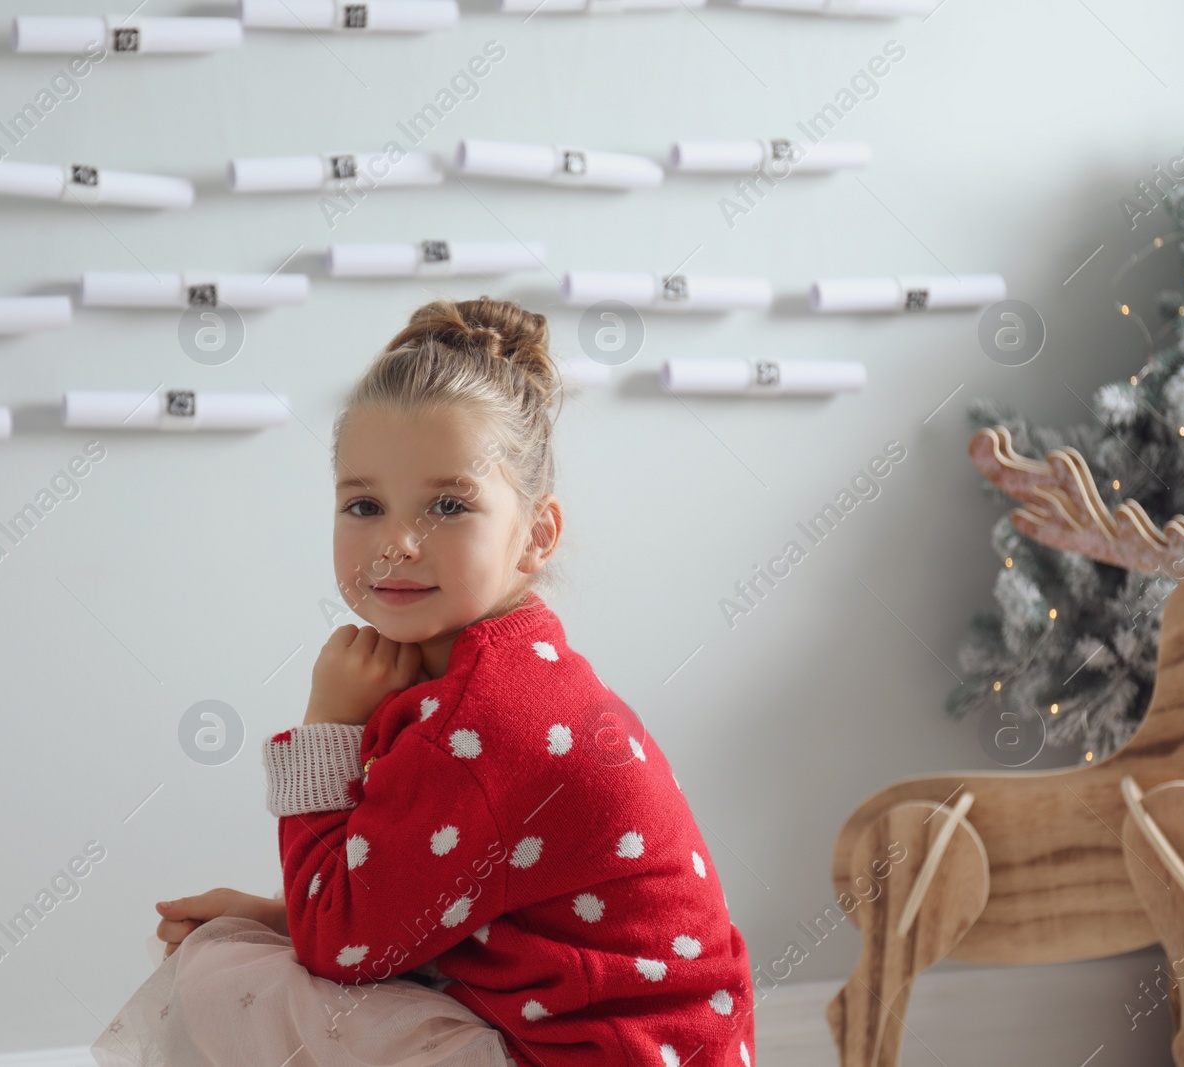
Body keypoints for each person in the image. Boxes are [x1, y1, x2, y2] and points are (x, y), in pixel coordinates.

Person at [93, 297, 755, 1067]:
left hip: (597, 1055)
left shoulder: (479, 722)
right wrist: (279, 917)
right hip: (640, 1042)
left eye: (449, 505)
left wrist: (327, 729)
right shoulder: (514, 668)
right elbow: (435, 907)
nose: (397, 542)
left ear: (536, 534)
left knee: (215, 980)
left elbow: (342, 947)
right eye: (364, 505)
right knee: (244, 954)